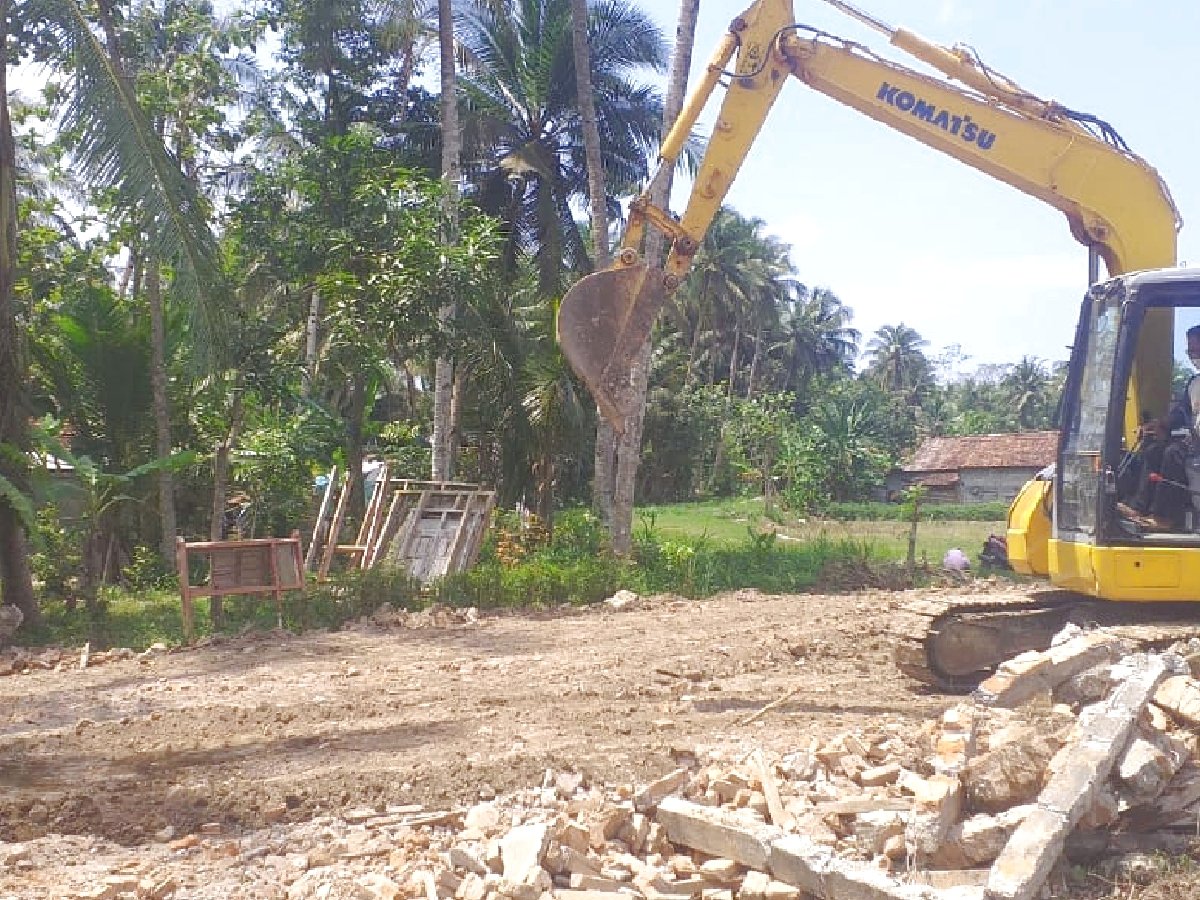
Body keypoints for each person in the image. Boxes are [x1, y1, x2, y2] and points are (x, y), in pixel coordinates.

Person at [1118, 325, 1200, 530]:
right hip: (1195, 444)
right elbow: (1181, 413)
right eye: (1190, 352)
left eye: (1196, 351)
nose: (1193, 357)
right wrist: (1160, 424)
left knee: (1174, 453)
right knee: (1154, 448)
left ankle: (1165, 518)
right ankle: (1138, 507)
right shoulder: (1194, 383)